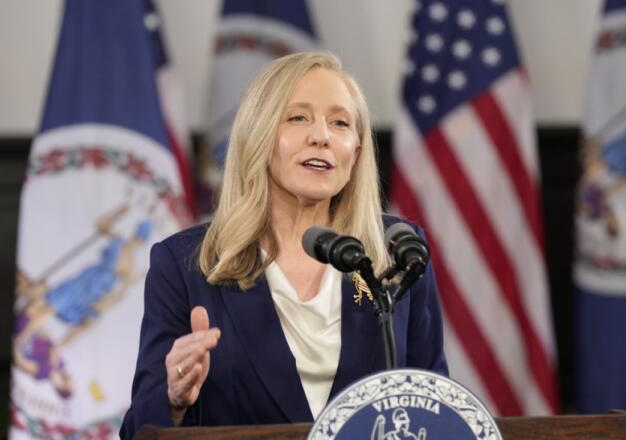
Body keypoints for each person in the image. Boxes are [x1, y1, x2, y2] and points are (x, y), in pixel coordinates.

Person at [120, 51, 448, 437]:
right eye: (298, 117)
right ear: (257, 136)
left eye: (340, 123)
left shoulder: (394, 254)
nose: (321, 137)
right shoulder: (187, 264)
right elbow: (138, 431)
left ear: (355, 153)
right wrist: (174, 399)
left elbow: (435, 410)